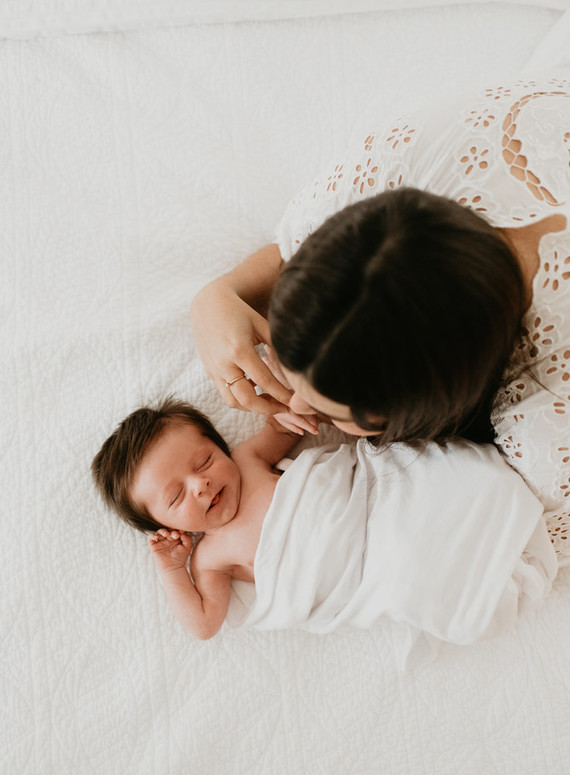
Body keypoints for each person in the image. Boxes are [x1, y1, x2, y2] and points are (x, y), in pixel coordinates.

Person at [190, 72, 570, 549]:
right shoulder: (400, 162)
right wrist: (218, 296)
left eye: (332, 410)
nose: (297, 406)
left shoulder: (549, 435)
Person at [91, 398, 556, 648]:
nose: (201, 484)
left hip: (376, 505)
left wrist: (283, 410)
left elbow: (287, 425)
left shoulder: (248, 460)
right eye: (176, 496)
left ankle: (499, 515)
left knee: (450, 479)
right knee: (422, 579)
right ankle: (490, 578)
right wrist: (173, 569)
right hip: (367, 572)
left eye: (205, 459)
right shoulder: (209, 559)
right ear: (161, 524)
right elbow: (203, 624)